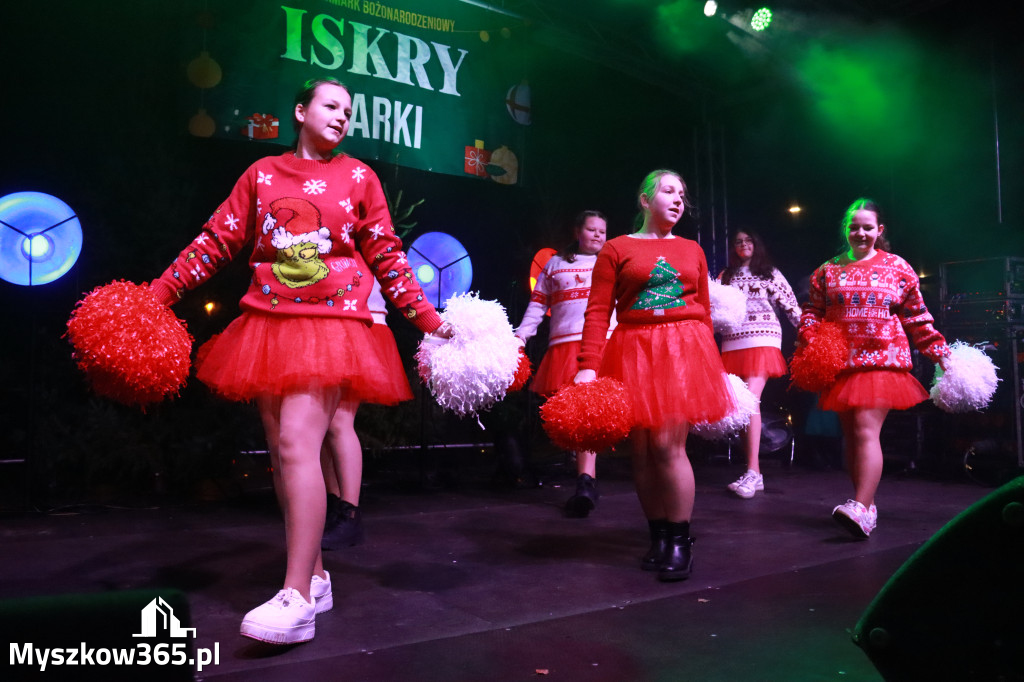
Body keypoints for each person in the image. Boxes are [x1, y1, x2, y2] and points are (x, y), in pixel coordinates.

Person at [148, 78, 450, 644]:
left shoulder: (359, 177)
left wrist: (431, 322)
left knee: (296, 445)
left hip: (332, 327)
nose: (342, 117)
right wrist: (156, 295)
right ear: (300, 110)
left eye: (349, 111)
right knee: (283, 456)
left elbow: (387, 253)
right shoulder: (261, 174)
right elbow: (217, 239)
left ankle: (299, 599)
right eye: (331, 106)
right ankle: (314, 573)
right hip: (266, 325)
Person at [574, 170, 735, 582]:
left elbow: (703, 310)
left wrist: (708, 361)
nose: (679, 200)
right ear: (645, 200)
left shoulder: (691, 249)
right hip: (633, 348)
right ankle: (659, 535)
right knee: (641, 450)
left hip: (682, 347)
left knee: (667, 444)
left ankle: (681, 540)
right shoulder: (616, 248)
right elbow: (597, 311)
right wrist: (587, 365)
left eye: (683, 194)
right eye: (669, 191)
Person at [799, 198, 949, 539]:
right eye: (854, 227)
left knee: (866, 431)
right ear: (845, 230)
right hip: (841, 366)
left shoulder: (898, 268)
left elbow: (917, 318)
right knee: (852, 437)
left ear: (879, 231)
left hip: (882, 361)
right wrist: (810, 336)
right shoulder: (827, 270)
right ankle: (866, 508)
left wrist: (940, 353)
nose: (860, 233)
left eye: (867, 227)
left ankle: (861, 506)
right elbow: (812, 310)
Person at [515, 210, 613, 517]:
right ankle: (586, 479)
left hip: (601, 347)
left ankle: (586, 481)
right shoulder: (556, 265)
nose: (598, 235)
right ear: (577, 231)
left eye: (603, 231)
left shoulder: (610, 264)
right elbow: (537, 306)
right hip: (564, 347)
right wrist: (520, 337)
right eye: (592, 229)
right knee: (577, 418)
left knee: (591, 414)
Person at [717, 229, 801, 498]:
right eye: (738, 242)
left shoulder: (770, 273)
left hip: (763, 337)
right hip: (733, 342)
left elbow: (790, 305)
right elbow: (717, 313)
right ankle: (753, 473)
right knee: (741, 406)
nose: (743, 245)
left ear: (757, 243)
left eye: (748, 240)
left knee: (750, 401)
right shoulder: (725, 276)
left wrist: (810, 334)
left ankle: (753, 472)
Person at [320, 277, 398, 550]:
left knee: (339, 420)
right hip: (328, 317)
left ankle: (349, 513)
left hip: (361, 319)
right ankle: (334, 506)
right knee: (322, 422)